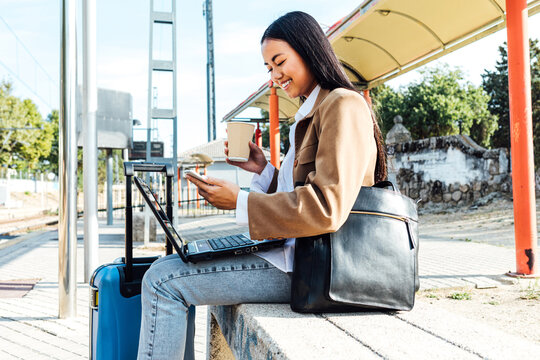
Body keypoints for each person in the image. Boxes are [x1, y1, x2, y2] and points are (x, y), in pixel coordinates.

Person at [137, 11, 386, 359]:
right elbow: (298, 193)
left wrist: (240, 201)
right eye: (269, 68)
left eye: (280, 61)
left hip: (310, 266)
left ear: (309, 49)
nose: (275, 75)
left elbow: (327, 206)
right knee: (171, 266)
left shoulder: (342, 104)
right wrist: (264, 170)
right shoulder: (311, 113)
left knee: (163, 280)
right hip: (294, 256)